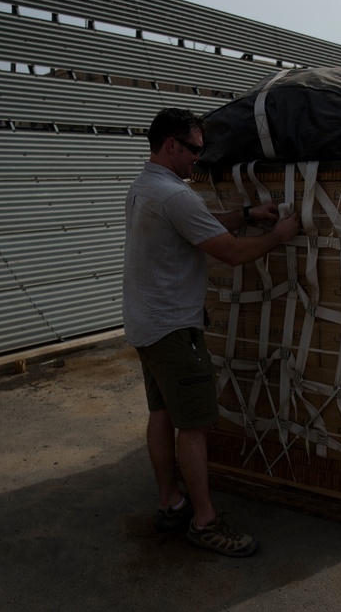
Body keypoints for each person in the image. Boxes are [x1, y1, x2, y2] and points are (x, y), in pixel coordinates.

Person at [122, 108, 301, 557]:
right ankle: (204, 521)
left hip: (146, 325)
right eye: (195, 150)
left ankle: (171, 501)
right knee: (195, 426)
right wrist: (278, 235)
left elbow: (196, 228)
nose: (200, 159)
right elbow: (234, 255)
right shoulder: (175, 196)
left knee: (162, 414)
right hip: (174, 329)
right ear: (171, 146)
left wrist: (245, 213)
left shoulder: (145, 187)